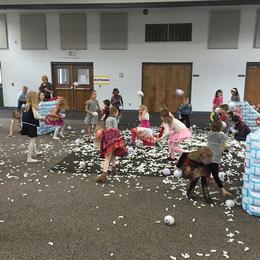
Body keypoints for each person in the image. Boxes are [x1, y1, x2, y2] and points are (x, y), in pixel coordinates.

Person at [207, 117, 232, 197]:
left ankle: (208, 178)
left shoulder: (209, 133)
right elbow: (225, 140)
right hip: (216, 155)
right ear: (220, 127)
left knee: (208, 166)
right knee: (215, 170)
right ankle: (222, 189)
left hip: (208, 154)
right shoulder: (221, 134)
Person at [20, 91, 45, 163]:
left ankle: (35, 152)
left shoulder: (26, 105)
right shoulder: (33, 105)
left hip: (25, 124)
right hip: (31, 124)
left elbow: (23, 116)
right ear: (34, 98)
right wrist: (43, 118)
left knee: (32, 139)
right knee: (32, 140)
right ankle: (29, 158)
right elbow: (36, 116)